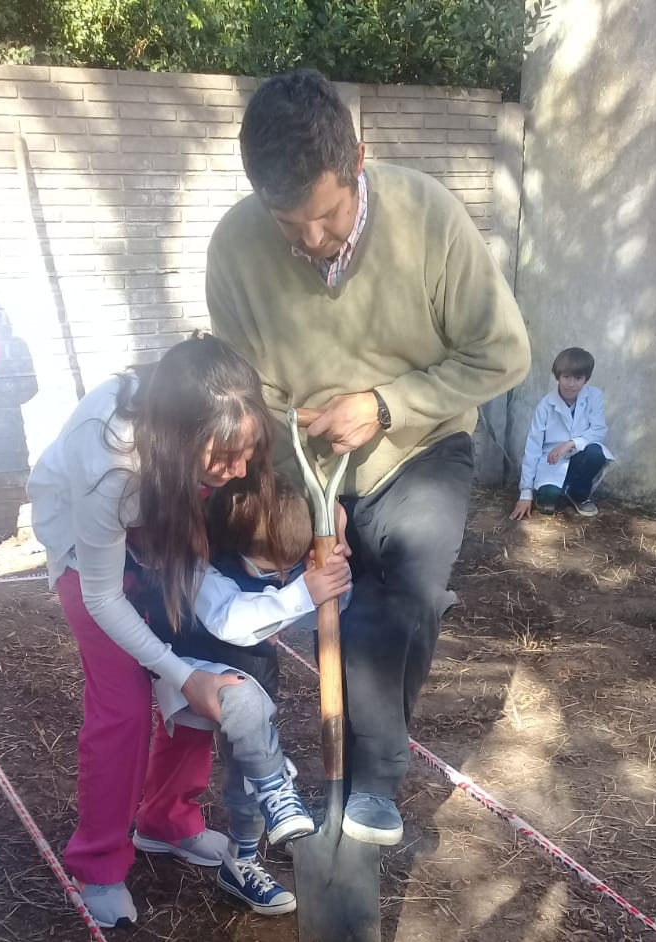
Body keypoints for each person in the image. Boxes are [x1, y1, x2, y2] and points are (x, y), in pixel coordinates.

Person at [205, 70, 531, 847]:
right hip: (309, 463)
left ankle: (373, 785)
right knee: (312, 596)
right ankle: (273, 786)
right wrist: (304, 500)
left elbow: (504, 354)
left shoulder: (429, 219)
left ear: (359, 157)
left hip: (421, 442)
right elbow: (249, 390)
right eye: (289, 224)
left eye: (326, 216)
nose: (311, 242)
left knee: (405, 586)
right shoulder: (235, 249)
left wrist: (385, 405)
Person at [27, 334, 346, 927]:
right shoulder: (110, 466)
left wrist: (326, 523)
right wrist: (179, 674)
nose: (240, 470)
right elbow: (102, 595)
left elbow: (262, 474)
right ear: (177, 441)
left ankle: (165, 820)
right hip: (91, 555)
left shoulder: (219, 418)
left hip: (165, 525)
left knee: (208, 665)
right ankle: (99, 864)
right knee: (124, 706)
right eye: (222, 460)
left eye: (246, 451)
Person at [134, 474, 351, 915]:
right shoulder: (202, 566)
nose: (279, 579)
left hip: (248, 675)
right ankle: (276, 790)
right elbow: (230, 620)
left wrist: (329, 577)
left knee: (245, 770)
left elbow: (309, 607)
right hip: (195, 673)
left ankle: (242, 861)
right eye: (269, 571)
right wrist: (299, 594)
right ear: (232, 549)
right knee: (254, 740)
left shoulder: (274, 564)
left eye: (286, 570)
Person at [510, 347, 613, 521]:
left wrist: (571, 443)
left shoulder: (594, 396)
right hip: (551, 462)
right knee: (547, 502)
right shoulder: (545, 405)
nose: (572, 384)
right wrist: (525, 493)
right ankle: (557, 489)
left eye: (578, 378)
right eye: (566, 377)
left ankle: (579, 494)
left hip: (579, 456)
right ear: (557, 377)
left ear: (586, 378)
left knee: (595, 452)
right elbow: (533, 446)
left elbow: (599, 430)